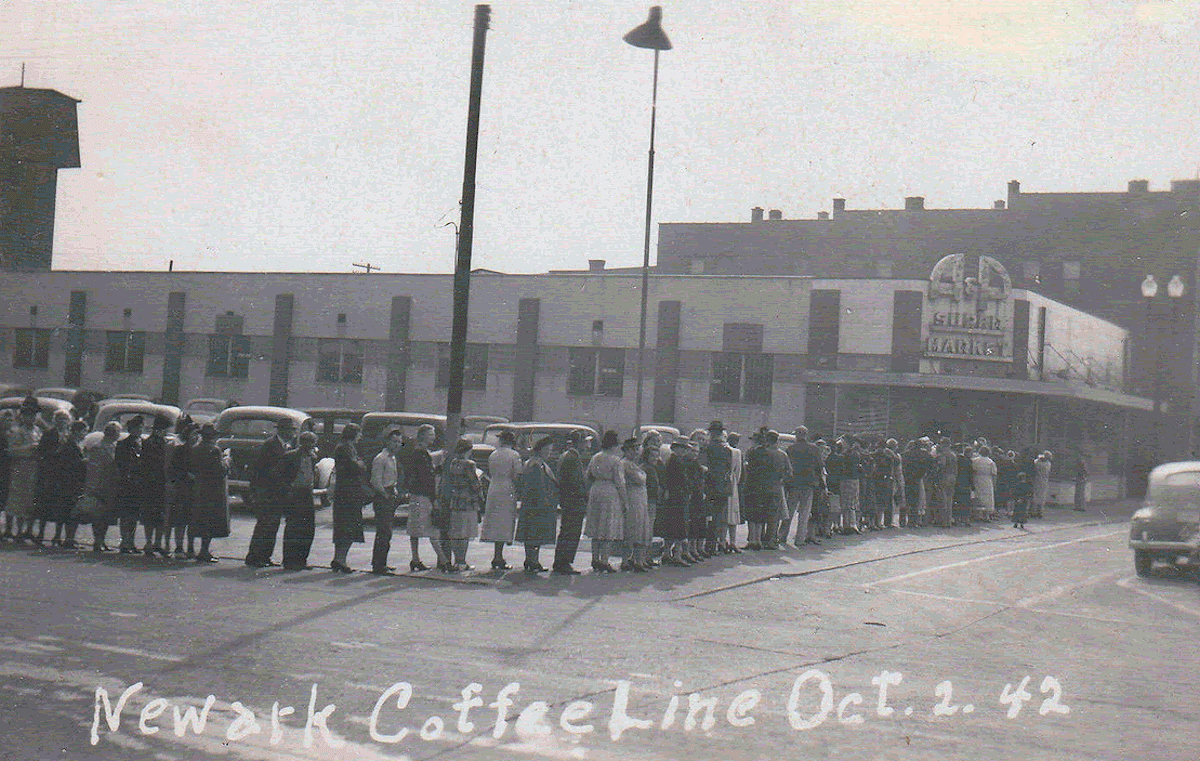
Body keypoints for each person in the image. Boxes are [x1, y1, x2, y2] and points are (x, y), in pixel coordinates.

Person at [245, 417, 296, 568]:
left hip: (278, 492)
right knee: (264, 525)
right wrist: (257, 490)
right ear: (282, 431)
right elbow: (261, 469)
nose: (293, 433)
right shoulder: (270, 445)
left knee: (273, 525)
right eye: (290, 430)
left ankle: (265, 556)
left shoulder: (287, 446)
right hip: (268, 492)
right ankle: (254, 557)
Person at [402, 424, 446, 571]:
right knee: (432, 527)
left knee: (415, 528)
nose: (433, 437)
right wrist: (434, 497)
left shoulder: (418, 451)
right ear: (423, 435)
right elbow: (426, 477)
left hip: (416, 493)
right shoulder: (421, 453)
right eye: (431, 434)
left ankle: (415, 558)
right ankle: (443, 559)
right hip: (424, 494)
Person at [585, 430, 628, 572]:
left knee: (596, 526)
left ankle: (594, 558)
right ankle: (604, 560)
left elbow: (588, 475)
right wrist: (624, 501)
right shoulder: (616, 460)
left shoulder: (595, 457)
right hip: (610, 491)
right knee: (608, 526)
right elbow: (620, 482)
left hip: (596, 489)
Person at [275, 430, 319, 570]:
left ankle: (302, 559)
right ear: (302, 442)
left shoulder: (312, 457)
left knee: (308, 528)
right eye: (308, 442)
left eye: (313, 443)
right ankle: (289, 560)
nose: (311, 446)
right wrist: (287, 489)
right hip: (295, 493)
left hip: (307, 493)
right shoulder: (291, 456)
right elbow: (278, 475)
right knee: (293, 527)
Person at [438, 438, 483, 572]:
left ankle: (457, 560)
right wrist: (481, 493)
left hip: (455, 499)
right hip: (468, 501)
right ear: (469, 450)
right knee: (465, 534)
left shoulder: (453, 462)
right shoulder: (469, 464)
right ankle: (462, 561)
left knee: (456, 532)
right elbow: (475, 484)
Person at [480, 429, 522, 571]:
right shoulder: (514, 455)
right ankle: (498, 556)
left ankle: (497, 555)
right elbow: (517, 475)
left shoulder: (494, 454)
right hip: (507, 488)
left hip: (494, 486)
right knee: (504, 521)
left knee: (495, 520)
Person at [515, 436, 559, 573]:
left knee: (532, 534)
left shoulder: (533, 463)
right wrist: (546, 500)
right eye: (547, 450)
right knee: (535, 534)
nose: (549, 453)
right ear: (540, 450)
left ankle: (531, 559)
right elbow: (538, 486)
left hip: (532, 504)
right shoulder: (536, 465)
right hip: (537, 504)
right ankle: (533, 560)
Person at [188, 424, 231, 562]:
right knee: (209, 520)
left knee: (195, 518)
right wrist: (226, 460)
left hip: (198, 486)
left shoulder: (195, 448)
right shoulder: (214, 450)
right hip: (213, 489)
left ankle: (190, 549)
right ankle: (204, 551)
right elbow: (220, 470)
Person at [330, 423, 369, 573]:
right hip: (348, 493)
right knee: (347, 527)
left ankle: (339, 558)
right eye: (358, 434)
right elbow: (356, 466)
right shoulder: (345, 448)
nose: (360, 437)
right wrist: (360, 464)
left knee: (345, 527)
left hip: (347, 492)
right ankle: (340, 559)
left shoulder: (345, 447)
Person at [5, 397, 43, 543]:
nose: (31, 418)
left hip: (33, 467)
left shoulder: (38, 431)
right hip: (20, 466)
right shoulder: (17, 431)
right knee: (16, 498)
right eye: (28, 415)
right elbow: (11, 451)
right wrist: (29, 448)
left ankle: (26, 530)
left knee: (29, 499)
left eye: (33, 415)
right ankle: (12, 529)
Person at [368, 427, 404, 575]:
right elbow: (376, 481)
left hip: (390, 495)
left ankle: (382, 562)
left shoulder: (393, 458)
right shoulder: (380, 459)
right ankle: (378, 565)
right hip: (382, 497)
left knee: (387, 532)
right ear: (387, 442)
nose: (396, 445)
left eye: (399, 442)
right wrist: (385, 494)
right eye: (394, 441)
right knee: (383, 531)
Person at [34, 409, 74, 545]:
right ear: (55, 420)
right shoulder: (49, 434)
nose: (62, 421)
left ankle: (57, 535)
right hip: (51, 472)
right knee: (46, 503)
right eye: (60, 418)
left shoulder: (70, 435)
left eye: (65, 418)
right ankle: (41, 533)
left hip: (64, 474)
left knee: (61, 505)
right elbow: (41, 451)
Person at [552, 430, 589, 575]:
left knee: (567, 530)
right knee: (571, 531)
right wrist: (583, 496)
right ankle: (564, 562)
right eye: (585, 442)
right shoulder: (572, 458)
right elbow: (574, 482)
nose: (587, 445)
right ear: (578, 442)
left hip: (569, 499)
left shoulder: (569, 456)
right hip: (574, 500)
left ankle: (561, 560)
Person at [81, 422, 122, 551]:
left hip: (111, 485)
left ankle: (102, 540)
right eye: (117, 432)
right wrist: (93, 486)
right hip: (99, 485)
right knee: (97, 515)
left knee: (107, 516)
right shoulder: (98, 447)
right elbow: (94, 470)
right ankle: (97, 541)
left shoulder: (114, 447)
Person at [138, 414, 172, 557]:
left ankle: (157, 543)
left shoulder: (164, 442)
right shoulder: (149, 443)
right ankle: (149, 543)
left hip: (160, 483)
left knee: (160, 515)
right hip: (151, 482)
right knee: (150, 515)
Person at [113, 414, 144, 553]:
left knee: (134, 514)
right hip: (127, 482)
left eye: (140, 428)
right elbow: (120, 464)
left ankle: (131, 541)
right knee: (125, 514)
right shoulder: (123, 444)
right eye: (136, 428)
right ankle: (124, 541)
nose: (138, 431)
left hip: (138, 483)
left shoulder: (143, 443)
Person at [166, 417, 197, 558]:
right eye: (194, 434)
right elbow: (173, 471)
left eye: (198, 435)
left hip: (196, 491)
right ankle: (179, 547)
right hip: (182, 489)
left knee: (193, 520)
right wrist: (185, 475)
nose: (196, 437)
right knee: (180, 520)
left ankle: (190, 548)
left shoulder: (200, 452)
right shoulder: (180, 451)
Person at [55, 420, 89, 549]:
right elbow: (68, 463)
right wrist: (83, 461)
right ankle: (67, 538)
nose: (85, 434)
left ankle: (66, 537)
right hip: (69, 481)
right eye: (84, 431)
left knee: (70, 509)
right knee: (69, 509)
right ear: (77, 431)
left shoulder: (77, 444)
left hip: (74, 480)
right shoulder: (69, 445)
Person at [786, 426, 822, 545]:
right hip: (808, 483)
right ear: (806, 435)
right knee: (804, 513)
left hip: (794, 483)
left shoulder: (791, 448)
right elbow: (819, 466)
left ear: (797, 435)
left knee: (789, 511)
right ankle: (800, 539)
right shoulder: (814, 448)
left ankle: (782, 535)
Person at [657, 440, 692, 565]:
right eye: (681, 448)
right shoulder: (675, 462)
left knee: (672, 527)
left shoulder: (675, 461)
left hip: (675, 497)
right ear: (674, 448)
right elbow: (680, 480)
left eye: (685, 448)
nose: (683, 451)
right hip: (677, 497)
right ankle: (676, 555)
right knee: (679, 527)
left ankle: (667, 553)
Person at [620, 437, 652, 572]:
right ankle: (626, 560)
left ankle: (637, 559)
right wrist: (643, 475)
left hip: (640, 498)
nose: (636, 452)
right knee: (633, 529)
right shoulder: (626, 464)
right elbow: (640, 478)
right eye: (634, 449)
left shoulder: (634, 464)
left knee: (641, 529)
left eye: (637, 449)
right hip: (633, 498)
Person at [702, 421, 732, 555]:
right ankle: (713, 545)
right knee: (718, 517)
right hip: (722, 487)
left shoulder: (707, 448)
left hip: (709, 486)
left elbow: (703, 467)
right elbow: (728, 469)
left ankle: (707, 546)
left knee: (709, 517)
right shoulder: (726, 450)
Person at [641, 434, 665, 562]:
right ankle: (644, 557)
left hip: (654, 500)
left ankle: (647, 556)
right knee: (646, 529)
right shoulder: (646, 468)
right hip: (647, 500)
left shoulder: (655, 465)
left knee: (650, 529)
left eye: (658, 441)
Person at [933, 437, 957, 529]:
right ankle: (948, 521)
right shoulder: (953, 454)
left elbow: (942, 465)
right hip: (953, 476)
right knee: (949, 499)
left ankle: (943, 521)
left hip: (944, 476)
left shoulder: (943, 454)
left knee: (943, 499)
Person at [841, 437, 863, 535]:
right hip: (855, 480)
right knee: (853, 503)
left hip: (847, 479)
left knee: (846, 504)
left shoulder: (846, 454)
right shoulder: (856, 454)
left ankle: (847, 525)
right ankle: (854, 524)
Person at [971, 446, 998, 522]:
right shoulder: (990, 462)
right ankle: (986, 516)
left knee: (978, 496)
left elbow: (973, 471)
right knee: (987, 497)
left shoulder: (975, 460)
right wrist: (994, 484)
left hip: (977, 479)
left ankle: (977, 515)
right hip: (987, 480)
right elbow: (994, 474)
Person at [954, 445, 975, 526]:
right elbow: (970, 475)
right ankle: (965, 519)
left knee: (957, 502)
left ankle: (957, 519)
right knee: (966, 503)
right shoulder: (968, 461)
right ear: (967, 453)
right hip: (966, 484)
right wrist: (973, 486)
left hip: (957, 483)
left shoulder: (958, 459)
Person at [0, 411, 12, 541]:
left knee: (6, 500)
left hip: (9, 470)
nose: (7, 423)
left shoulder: (11, 435)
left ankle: (8, 529)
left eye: (10, 420)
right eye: (5, 420)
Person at [1032, 451, 1052, 518]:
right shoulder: (1048, 464)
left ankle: (1035, 511)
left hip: (1038, 480)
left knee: (1037, 496)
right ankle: (1038, 512)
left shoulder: (1037, 462)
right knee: (1040, 497)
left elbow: (1035, 466)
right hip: (1042, 481)